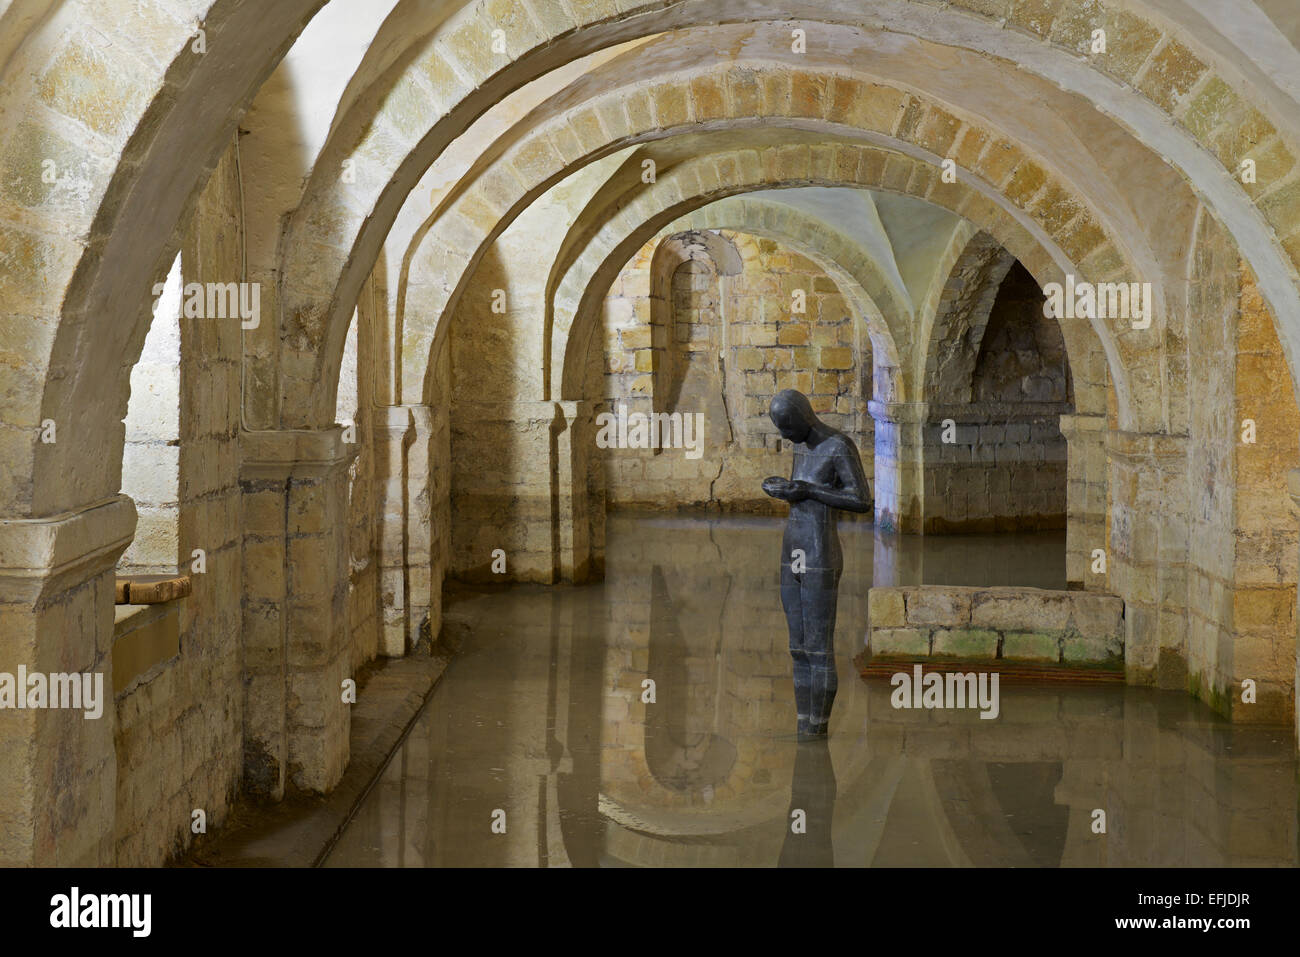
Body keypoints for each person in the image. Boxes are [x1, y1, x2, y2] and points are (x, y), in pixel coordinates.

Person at [761, 390, 872, 737]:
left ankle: (818, 728)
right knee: (797, 647)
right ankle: (802, 722)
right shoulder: (800, 444)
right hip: (792, 551)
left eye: (786, 427)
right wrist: (787, 489)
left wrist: (808, 491)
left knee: (818, 648)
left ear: (805, 417)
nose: (783, 435)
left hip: (820, 553)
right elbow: (802, 488)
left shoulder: (838, 446)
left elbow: (860, 500)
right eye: (779, 428)